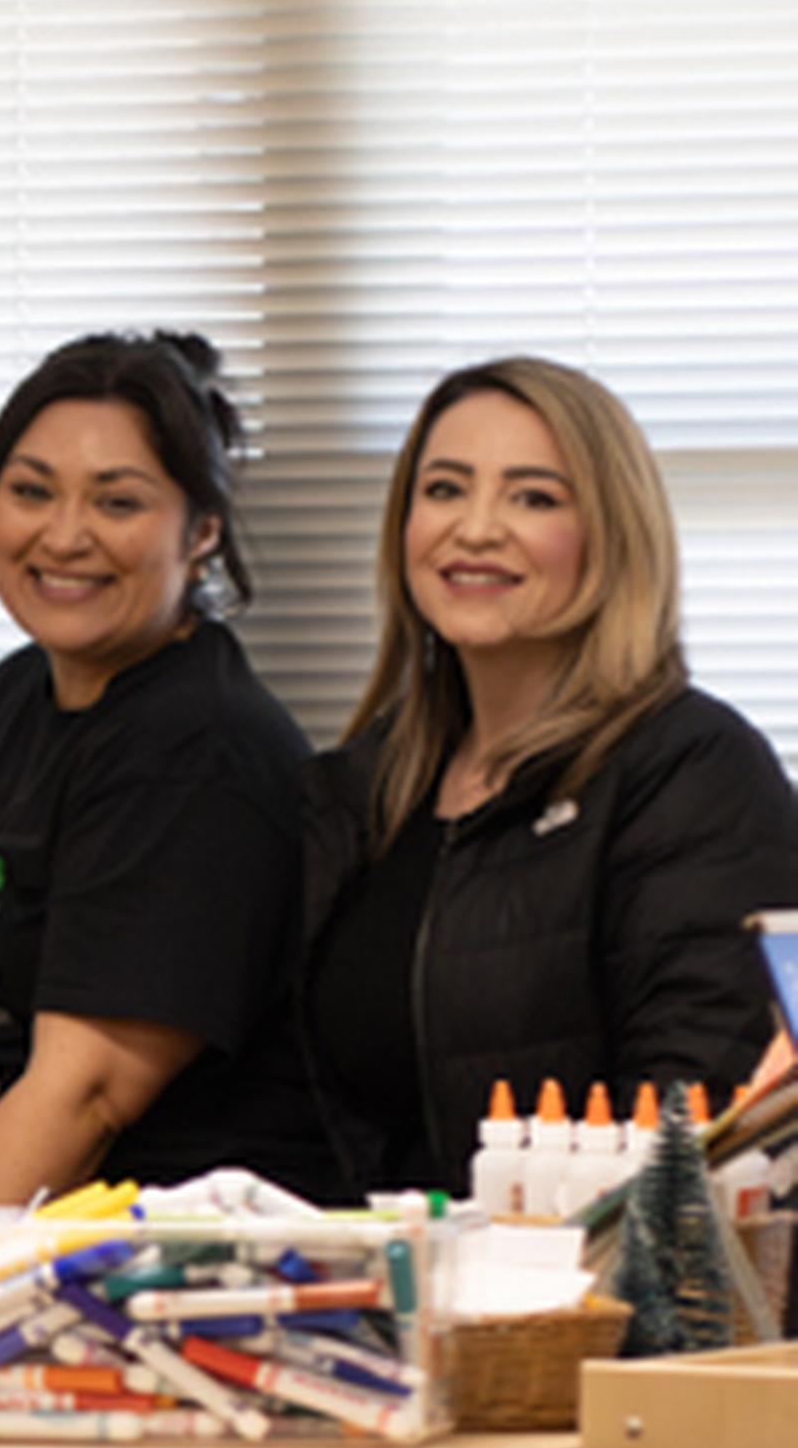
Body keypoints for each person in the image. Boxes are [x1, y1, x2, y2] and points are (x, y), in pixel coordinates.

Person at [301, 357, 798, 1195]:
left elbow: (704, 1135)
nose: (476, 528)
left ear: (610, 536)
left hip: (599, 1311)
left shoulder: (692, 770)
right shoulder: (366, 786)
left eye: (534, 497)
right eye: (445, 489)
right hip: (390, 1301)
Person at [0, 330, 322, 1209]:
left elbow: (83, 1096)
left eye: (118, 504)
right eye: (31, 491)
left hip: (150, 1290)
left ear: (201, 533)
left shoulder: (196, 748)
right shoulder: (13, 696)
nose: (64, 535)